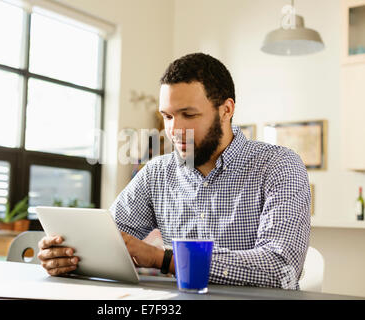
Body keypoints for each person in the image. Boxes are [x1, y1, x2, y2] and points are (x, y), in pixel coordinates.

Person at [37, 53, 311, 289]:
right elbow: (110, 240)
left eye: (189, 115)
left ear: (226, 110)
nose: (174, 130)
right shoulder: (157, 173)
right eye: (167, 116)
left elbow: (281, 269)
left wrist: (164, 258)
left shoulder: (279, 166)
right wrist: (67, 256)